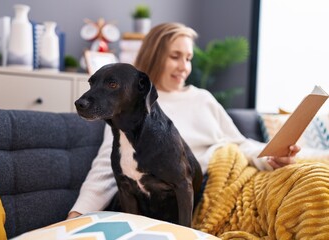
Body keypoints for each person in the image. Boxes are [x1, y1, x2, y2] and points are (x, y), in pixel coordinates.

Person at [67, 22, 301, 219]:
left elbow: (239, 143)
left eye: (188, 58)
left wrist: (272, 156)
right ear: (155, 55)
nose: (184, 67)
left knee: (307, 181)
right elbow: (109, 170)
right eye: (175, 56)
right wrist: (77, 215)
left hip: (224, 182)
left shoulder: (203, 99)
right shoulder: (130, 105)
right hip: (193, 204)